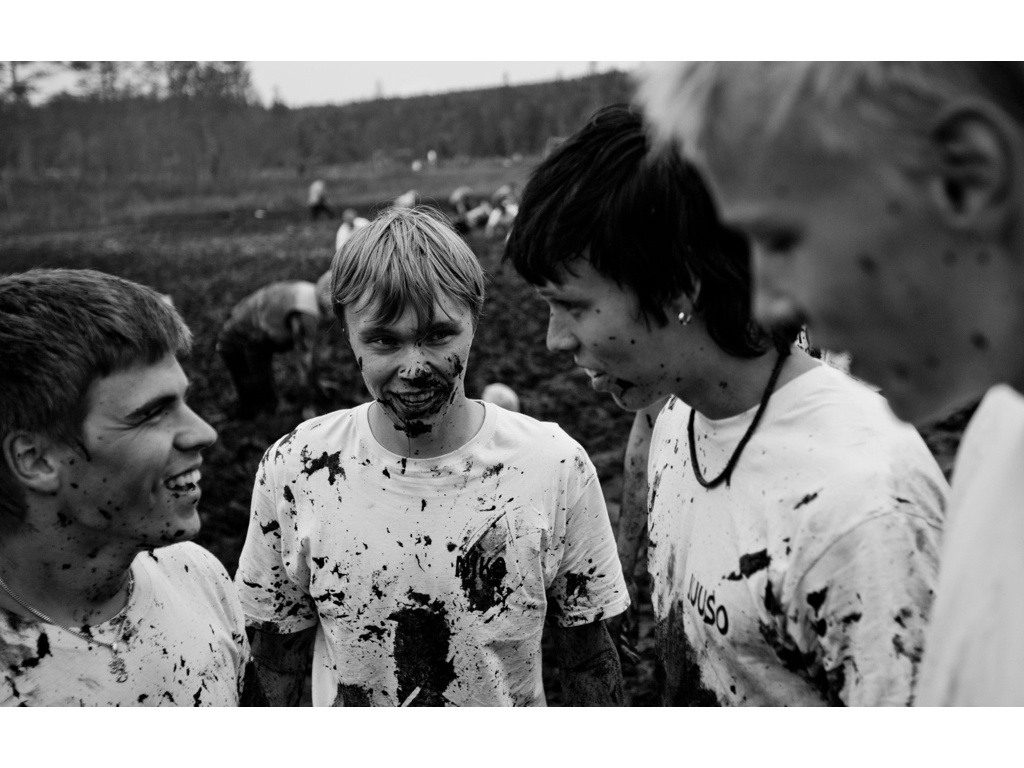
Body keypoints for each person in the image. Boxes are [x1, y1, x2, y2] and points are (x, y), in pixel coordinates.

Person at [505, 103, 948, 706]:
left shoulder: (865, 509)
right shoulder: (678, 421)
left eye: (574, 306)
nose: (554, 340)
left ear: (681, 286)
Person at [636, 61, 1024, 706]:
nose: (769, 300)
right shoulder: (998, 436)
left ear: (967, 174)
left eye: (783, 238)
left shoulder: (895, 491)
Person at [235, 206, 629, 706]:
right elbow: (276, 661)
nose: (414, 367)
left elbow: (588, 660)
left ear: (474, 320)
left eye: (439, 335)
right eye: (384, 340)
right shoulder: (297, 469)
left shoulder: (553, 465)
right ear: (347, 333)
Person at [0, 268, 250, 706]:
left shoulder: (196, 574)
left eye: (184, 400)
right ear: (35, 460)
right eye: (151, 413)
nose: (204, 433)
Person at [217, 280, 329, 420]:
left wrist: (316, 384)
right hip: (238, 339)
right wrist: (308, 406)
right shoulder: (307, 314)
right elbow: (305, 360)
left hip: (251, 331)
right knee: (254, 395)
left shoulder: (309, 292)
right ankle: (261, 414)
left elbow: (311, 350)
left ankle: (269, 407)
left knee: (261, 377)